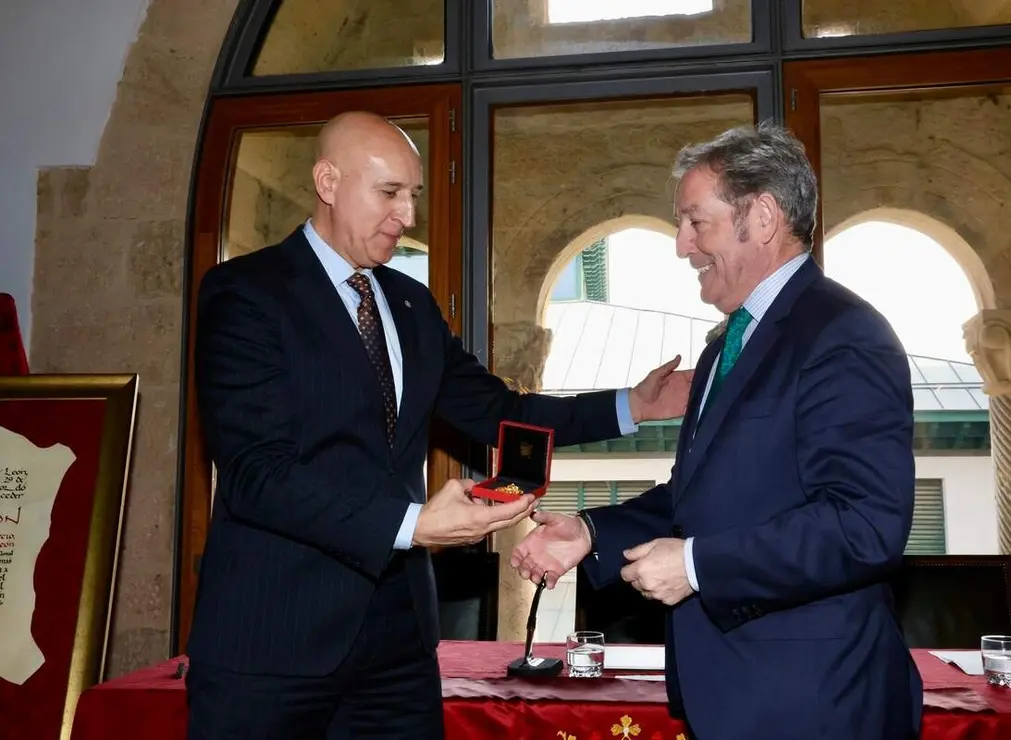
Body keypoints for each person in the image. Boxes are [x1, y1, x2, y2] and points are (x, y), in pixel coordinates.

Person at [185, 111, 693, 739]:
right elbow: (256, 475)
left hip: (398, 643)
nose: (408, 215)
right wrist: (413, 524)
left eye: (415, 195)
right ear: (327, 181)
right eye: (389, 193)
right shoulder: (245, 293)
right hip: (272, 640)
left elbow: (501, 411)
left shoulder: (409, 304)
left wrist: (633, 407)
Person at [512, 121, 923, 740]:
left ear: (761, 217)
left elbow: (865, 524)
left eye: (695, 222)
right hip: (734, 694)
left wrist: (700, 565)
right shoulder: (722, 349)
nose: (682, 245)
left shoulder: (843, 333)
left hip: (816, 700)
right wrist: (591, 531)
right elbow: (695, 497)